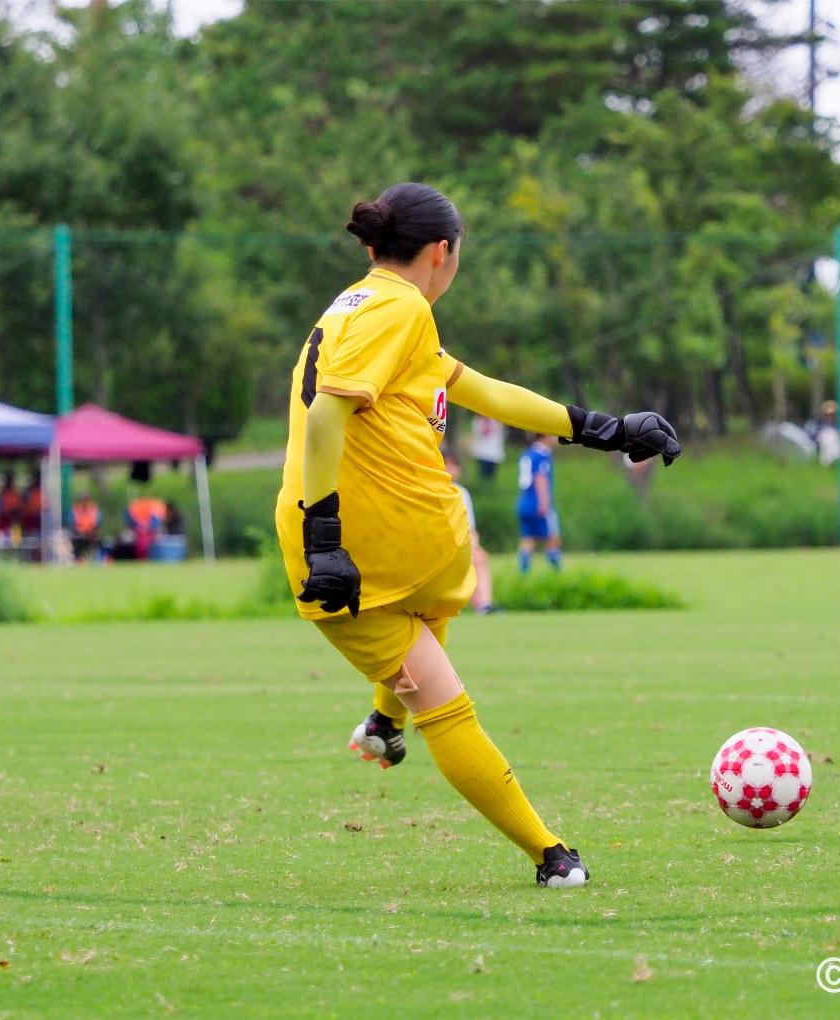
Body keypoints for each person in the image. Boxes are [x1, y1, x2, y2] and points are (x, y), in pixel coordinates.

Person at [274, 182, 681, 888]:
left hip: (410, 538)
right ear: (442, 252)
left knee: (430, 625)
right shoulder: (399, 308)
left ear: (374, 246)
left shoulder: (370, 305)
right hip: (367, 549)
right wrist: (324, 537)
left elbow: (485, 391)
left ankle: (383, 724)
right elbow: (325, 417)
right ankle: (550, 855)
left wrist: (605, 428)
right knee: (444, 700)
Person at [443, 449, 493, 614]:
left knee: (478, 557)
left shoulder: (462, 493)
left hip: (459, 544)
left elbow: (471, 529)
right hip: (439, 543)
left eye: (454, 465)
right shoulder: (432, 490)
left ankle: (484, 605)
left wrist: (473, 545)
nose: (450, 469)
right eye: (446, 464)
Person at [516, 433, 562, 573]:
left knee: (528, 538)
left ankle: (523, 573)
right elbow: (540, 478)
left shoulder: (527, 454)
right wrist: (544, 502)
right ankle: (556, 573)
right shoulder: (542, 455)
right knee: (553, 537)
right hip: (538, 501)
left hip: (524, 500)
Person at [471, 414, 506, 481]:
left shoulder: (496, 421)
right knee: (483, 472)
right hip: (482, 451)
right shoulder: (478, 420)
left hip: (494, 451)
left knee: (491, 473)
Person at [72, 488, 102, 561]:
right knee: (75, 539)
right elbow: (73, 522)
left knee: (97, 539)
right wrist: (80, 530)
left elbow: (97, 522)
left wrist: (91, 530)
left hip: (91, 533)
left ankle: (97, 559)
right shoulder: (76, 509)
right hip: (80, 533)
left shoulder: (94, 509)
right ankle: (79, 559)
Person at [815, 400, 840, 467]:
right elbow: (816, 432)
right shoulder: (820, 422)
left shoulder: (837, 423)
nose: (829, 416)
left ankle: (833, 459)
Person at [0, 470, 23, 541]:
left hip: (14, 519)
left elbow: (19, 507)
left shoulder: (16, 492)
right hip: (4, 519)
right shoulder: (2, 493)